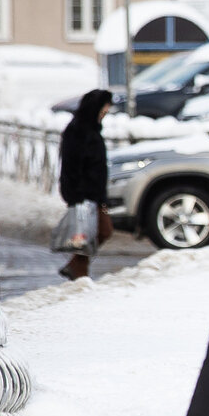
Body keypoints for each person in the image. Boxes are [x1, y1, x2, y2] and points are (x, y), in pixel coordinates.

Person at [57, 88, 114, 280]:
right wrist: (77, 194)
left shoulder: (92, 128)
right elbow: (72, 165)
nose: (107, 110)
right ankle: (78, 271)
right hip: (84, 194)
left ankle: (77, 269)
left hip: (94, 193)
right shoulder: (78, 130)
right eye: (105, 106)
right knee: (96, 233)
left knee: (89, 235)